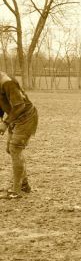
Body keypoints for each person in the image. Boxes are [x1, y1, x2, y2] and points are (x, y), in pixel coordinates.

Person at [0, 71, 38, 199]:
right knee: (11, 150)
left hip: (26, 117)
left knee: (15, 149)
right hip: (17, 118)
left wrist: (5, 123)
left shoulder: (7, 83)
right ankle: (24, 185)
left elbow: (20, 106)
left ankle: (16, 191)